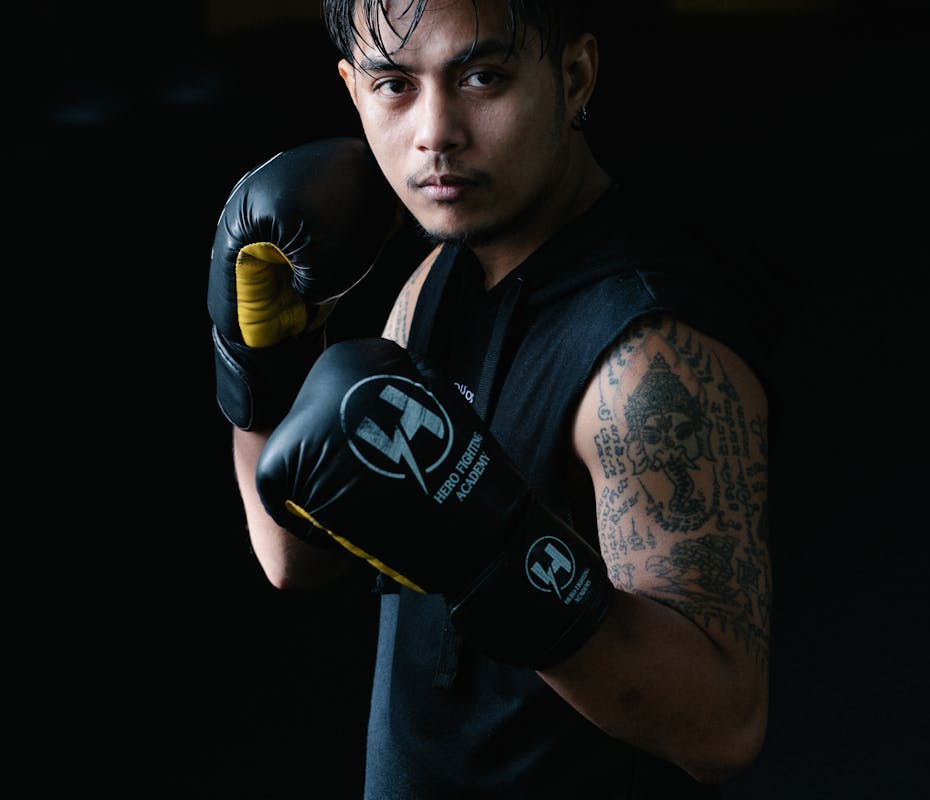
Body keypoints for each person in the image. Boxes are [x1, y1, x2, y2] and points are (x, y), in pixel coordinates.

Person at [207, 1, 779, 796]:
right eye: (395, 85)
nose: (435, 131)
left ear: (573, 76)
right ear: (352, 92)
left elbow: (724, 725)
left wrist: (486, 550)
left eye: (482, 77)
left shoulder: (648, 357)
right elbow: (291, 556)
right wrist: (260, 361)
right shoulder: (440, 278)